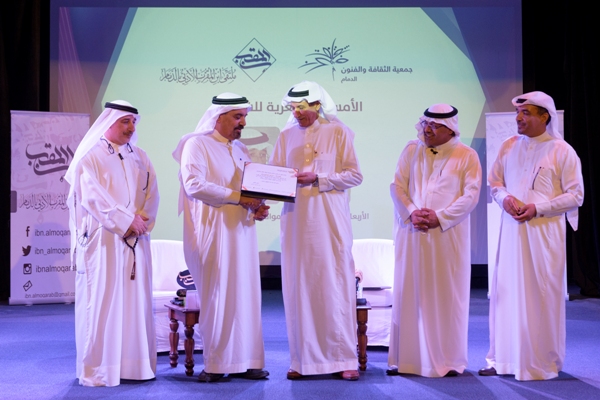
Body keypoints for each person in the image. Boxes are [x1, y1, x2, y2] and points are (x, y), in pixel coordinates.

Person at [480, 91, 584, 380]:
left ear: (544, 117)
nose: (518, 118)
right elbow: (495, 183)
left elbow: (576, 195)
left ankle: (540, 362)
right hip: (512, 234)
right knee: (506, 293)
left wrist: (538, 208)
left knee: (540, 296)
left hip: (543, 236)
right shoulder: (508, 146)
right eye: (518, 113)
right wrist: (505, 199)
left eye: (526, 113)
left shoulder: (562, 151)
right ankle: (503, 359)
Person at [172, 92, 270, 383]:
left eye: (244, 117)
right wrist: (239, 198)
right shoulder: (197, 144)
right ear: (218, 117)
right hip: (213, 233)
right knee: (218, 295)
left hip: (243, 232)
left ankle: (249, 361)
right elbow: (194, 185)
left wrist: (257, 207)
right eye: (237, 117)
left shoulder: (240, 149)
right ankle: (216, 364)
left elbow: (249, 189)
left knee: (247, 295)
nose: (243, 123)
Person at [269, 81, 363, 381]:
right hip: (296, 221)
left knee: (334, 285)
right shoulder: (285, 136)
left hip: (330, 221)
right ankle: (302, 360)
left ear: (317, 106)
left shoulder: (338, 132)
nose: (297, 113)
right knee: (299, 286)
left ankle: (344, 359)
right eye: (293, 108)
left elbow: (354, 175)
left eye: (302, 108)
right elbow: (272, 176)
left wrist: (319, 178)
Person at [65, 100, 159, 387]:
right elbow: (92, 197)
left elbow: (152, 195)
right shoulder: (90, 157)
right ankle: (100, 370)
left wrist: (141, 221)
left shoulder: (140, 156)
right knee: (103, 302)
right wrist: (126, 221)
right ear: (109, 121)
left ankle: (134, 366)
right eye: (125, 121)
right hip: (103, 241)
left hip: (136, 240)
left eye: (133, 122)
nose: (131, 128)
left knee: (134, 304)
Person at [386, 104, 482, 378]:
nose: (427, 130)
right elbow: (397, 186)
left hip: (446, 237)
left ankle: (447, 361)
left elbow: (471, 195)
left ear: (450, 129)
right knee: (410, 292)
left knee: (445, 296)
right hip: (412, 233)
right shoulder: (411, 150)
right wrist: (411, 212)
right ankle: (406, 361)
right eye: (425, 124)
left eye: (434, 126)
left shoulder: (467, 155)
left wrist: (439, 217)